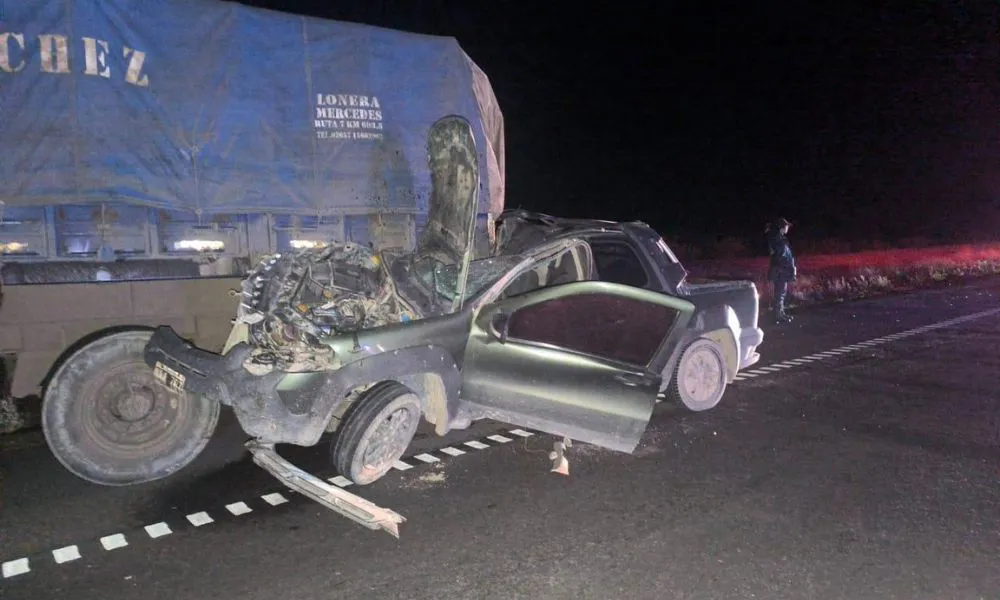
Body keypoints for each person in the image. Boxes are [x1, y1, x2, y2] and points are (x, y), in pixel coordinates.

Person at [765, 217, 797, 323]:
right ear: (782, 227)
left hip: (781, 269)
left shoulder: (780, 238)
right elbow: (780, 255)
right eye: (786, 226)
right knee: (780, 292)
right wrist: (786, 267)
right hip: (780, 270)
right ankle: (778, 314)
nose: (788, 228)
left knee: (781, 292)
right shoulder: (778, 239)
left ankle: (780, 312)